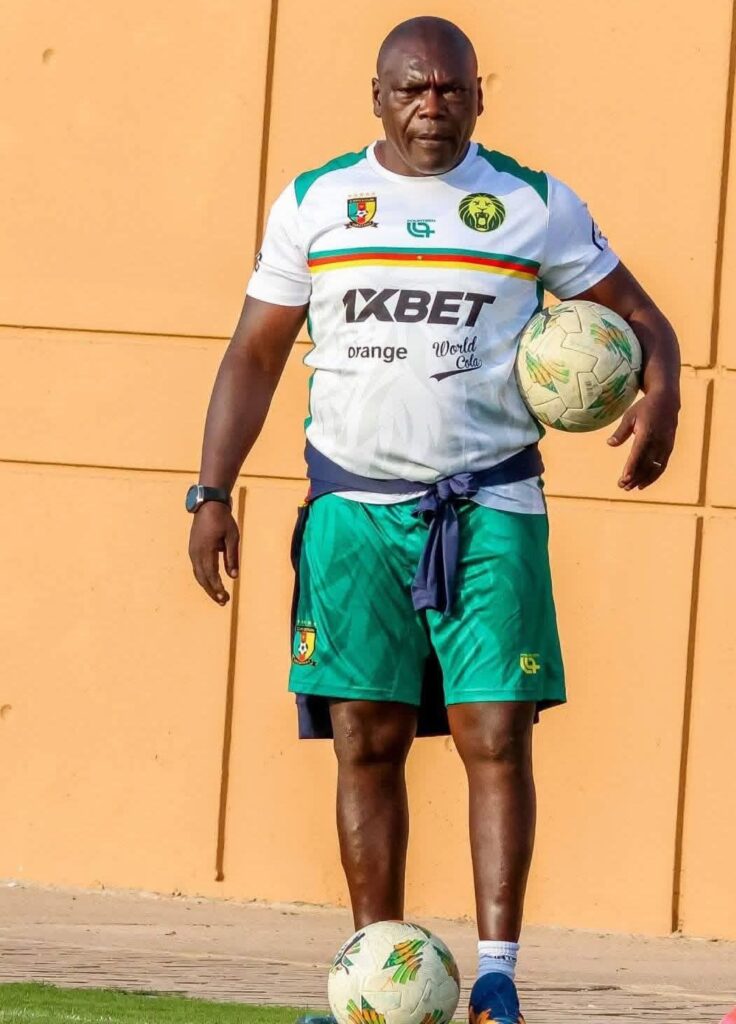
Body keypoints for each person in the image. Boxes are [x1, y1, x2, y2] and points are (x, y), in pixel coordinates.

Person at [187, 16, 680, 1024]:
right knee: (364, 739)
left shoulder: (532, 205)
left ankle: (496, 975)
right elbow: (254, 353)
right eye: (411, 89)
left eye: (450, 89)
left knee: (494, 732)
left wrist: (661, 393)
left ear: (479, 96)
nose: (431, 106)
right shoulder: (318, 203)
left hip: (490, 504)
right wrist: (211, 490)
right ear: (377, 97)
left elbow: (642, 318)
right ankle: (375, 977)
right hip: (351, 514)